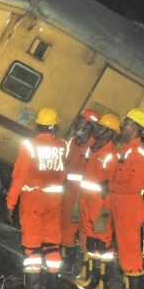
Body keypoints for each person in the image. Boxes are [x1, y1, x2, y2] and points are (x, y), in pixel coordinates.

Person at [6, 107, 68, 289]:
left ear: (38, 124)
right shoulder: (62, 146)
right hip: (54, 201)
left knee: (32, 249)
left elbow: (19, 177)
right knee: (51, 246)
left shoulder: (30, 145)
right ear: (55, 126)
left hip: (33, 200)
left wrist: (10, 203)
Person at [105, 108, 144, 289]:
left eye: (126, 124)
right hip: (122, 205)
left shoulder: (138, 152)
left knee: (131, 253)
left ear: (134, 126)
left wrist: (111, 187)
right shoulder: (127, 149)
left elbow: (136, 184)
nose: (122, 127)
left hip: (130, 206)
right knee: (124, 252)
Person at [74, 113, 120, 289]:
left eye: (102, 128)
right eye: (98, 126)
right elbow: (84, 178)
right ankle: (92, 280)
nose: (97, 130)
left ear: (110, 133)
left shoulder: (111, 156)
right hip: (86, 202)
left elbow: (111, 188)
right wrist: (77, 201)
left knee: (103, 247)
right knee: (92, 245)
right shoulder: (92, 149)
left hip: (99, 206)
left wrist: (105, 214)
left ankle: (103, 284)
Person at [60, 108, 100, 275]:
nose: (77, 121)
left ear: (89, 126)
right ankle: (63, 261)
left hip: (80, 194)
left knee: (73, 230)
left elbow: (87, 176)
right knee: (63, 226)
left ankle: (71, 265)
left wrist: (77, 201)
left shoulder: (93, 146)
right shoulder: (73, 140)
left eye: (81, 120)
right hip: (68, 190)